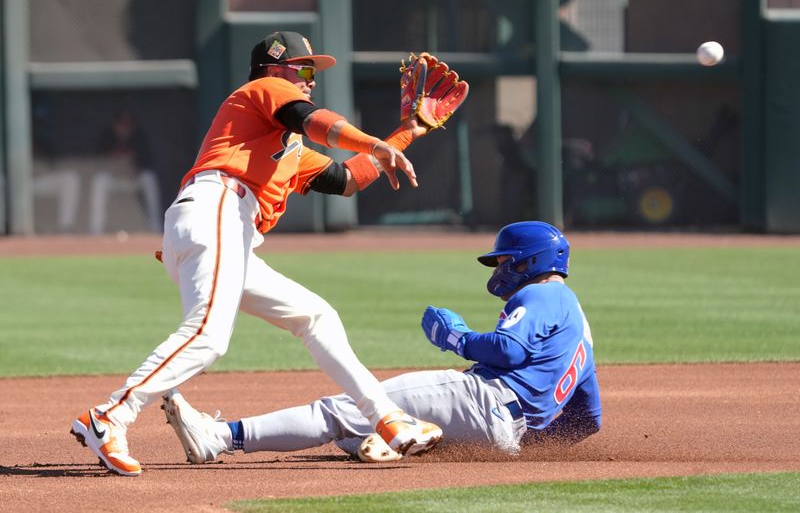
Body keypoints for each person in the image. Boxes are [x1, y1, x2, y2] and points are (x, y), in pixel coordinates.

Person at [70, 31, 467, 475]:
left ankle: (387, 418)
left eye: (313, 72)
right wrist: (375, 142)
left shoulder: (287, 147)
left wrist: (407, 132)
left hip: (225, 227)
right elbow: (319, 123)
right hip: (217, 206)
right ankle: (109, 416)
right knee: (208, 336)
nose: (311, 79)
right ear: (274, 69)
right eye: (303, 69)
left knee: (315, 316)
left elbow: (347, 178)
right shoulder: (262, 91)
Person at [159, 221, 602, 464]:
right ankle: (386, 446)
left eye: (506, 260)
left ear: (534, 261)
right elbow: (588, 418)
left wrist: (457, 337)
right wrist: (517, 446)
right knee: (366, 431)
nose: (499, 269)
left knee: (351, 408)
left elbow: (508, 351)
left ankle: (220, 437)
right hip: (505, 433)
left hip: (479, 400)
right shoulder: (582, 328)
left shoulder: (543, 293)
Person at [92, 110, 163, 234]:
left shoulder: (139, 137)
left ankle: (155, 227)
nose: (125, 127)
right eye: (121, 123)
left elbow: (147, 162)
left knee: (149, 178)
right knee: (100, 180)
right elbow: (100, 163)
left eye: (128, 123)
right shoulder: (107, 137)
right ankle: (96, 229)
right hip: (114, 180)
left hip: (134, 180)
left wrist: (135, 170)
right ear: (115, 125)